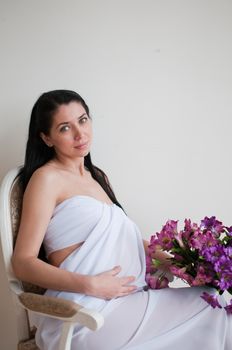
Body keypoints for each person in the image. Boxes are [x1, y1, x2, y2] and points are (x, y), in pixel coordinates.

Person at [12, 90, 231, 350]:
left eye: (83, 120)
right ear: (47, 138)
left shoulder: (98, 177)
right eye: (64, 128)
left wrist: (184, 265)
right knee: (217, 309)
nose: (80, 134)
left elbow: (128, 242)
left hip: (127, 301)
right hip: (85, 313)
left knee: (216, 299)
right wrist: (92, 285)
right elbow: (23, 263)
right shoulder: (46, 179)